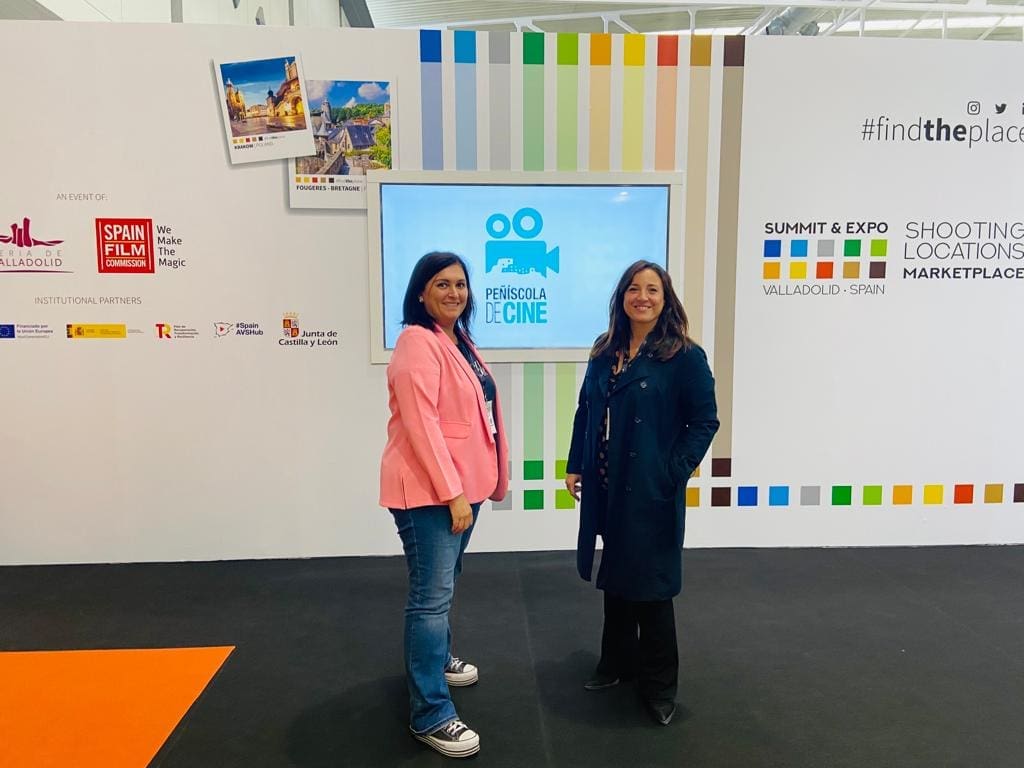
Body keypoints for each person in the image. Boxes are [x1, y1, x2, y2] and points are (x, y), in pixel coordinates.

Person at [564, 260, 719, 726]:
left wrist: (673, 470)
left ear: (666, 298)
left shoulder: (683, 356)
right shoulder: (604, 349)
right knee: (616, 575)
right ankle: (616, 663)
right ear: (622, 297)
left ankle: (659, 687)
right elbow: (585, 410)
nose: (642, 297)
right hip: (606, 484)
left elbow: (704, 421)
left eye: (652, 289)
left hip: (650, 487)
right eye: (634, 288)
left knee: (651, 587)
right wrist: (576, 463)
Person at [379, 251, 509, 758]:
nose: (454, 292)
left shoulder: (457, 341)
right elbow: (422, 424)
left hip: (462, 487)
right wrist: (453, 494)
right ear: (420, 292)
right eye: (441, 284)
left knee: (442, 585)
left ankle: (435, 662)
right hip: (431, 491)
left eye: (460, 284)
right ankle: (430, 714)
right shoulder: (417, 341)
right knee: (430, 598)